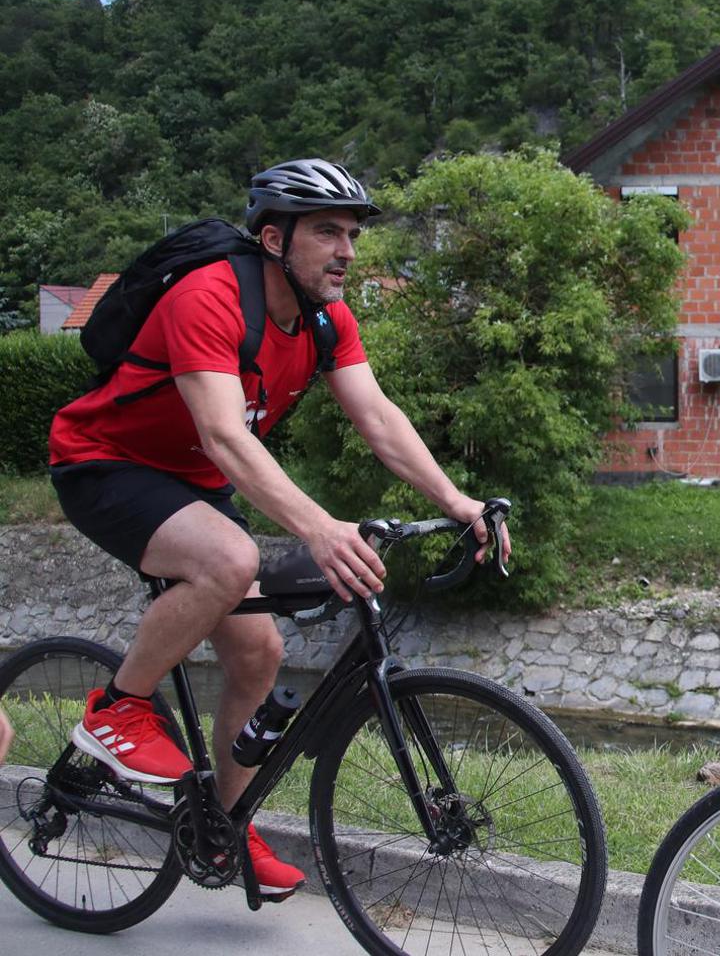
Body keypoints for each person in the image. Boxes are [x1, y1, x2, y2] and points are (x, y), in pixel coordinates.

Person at [48, 159, 508, 900]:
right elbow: (225, 436)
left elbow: (377, 417)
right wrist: (321, 528)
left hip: (192, 483)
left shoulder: (325, 320)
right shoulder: (211, 296)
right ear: (273, 238)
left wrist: (457, 501)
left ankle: (224, 827)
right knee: (229, 560)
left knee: (260, 652)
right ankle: (118, 709)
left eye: (352, 234)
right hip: (104, 463)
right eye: (326, 232)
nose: (346, 251)